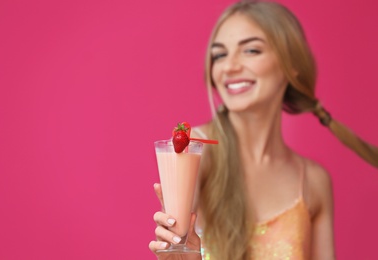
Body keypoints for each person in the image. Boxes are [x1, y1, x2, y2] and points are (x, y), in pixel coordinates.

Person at [149, 1, 378, 259]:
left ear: (290, 65)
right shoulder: (195, 152)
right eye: (219, 55)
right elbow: (178, 244)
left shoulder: (314, 181)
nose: (230, 67)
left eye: (251, 50)